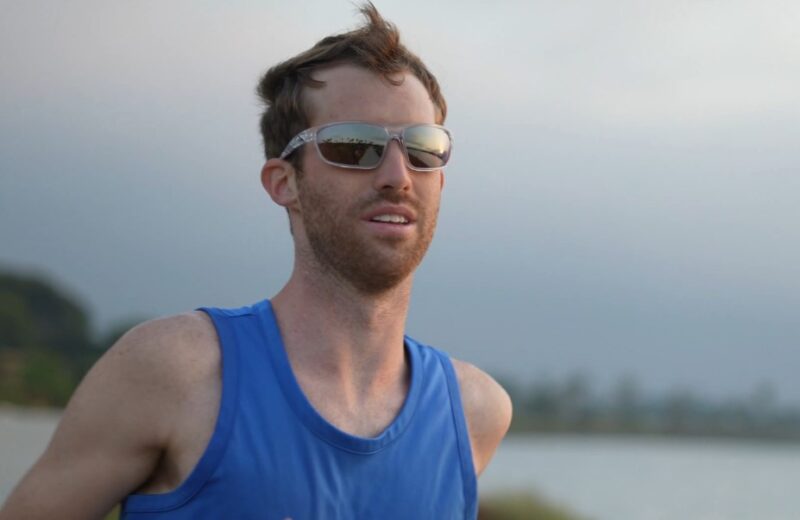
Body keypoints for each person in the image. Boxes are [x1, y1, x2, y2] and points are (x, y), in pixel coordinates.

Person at [0, 4, 512, 519]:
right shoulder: (178, 372)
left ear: (439, 178)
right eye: (355, 146)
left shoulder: (473, 412)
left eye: (423, 149)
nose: (398, 176)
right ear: (284, 182)